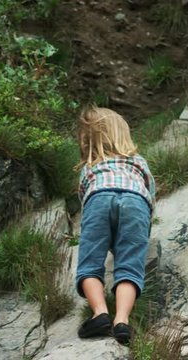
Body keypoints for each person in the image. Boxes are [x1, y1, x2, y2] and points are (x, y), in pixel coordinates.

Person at [74, 105, 155, 345]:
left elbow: (84, 200)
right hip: (136, 202)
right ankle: (122, 321)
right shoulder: (138, 161)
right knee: (129, 267)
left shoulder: (90, 166)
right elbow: (150, 195)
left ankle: (100, 314)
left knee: (90, 265)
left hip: (98, 197)